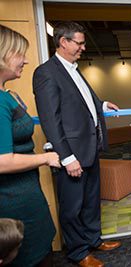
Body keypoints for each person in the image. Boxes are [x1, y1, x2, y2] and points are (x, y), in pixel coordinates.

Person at [33, 21, 120, 267]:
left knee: (92, 200)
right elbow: (51, 120)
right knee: (72, 207)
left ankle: (93, 240)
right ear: (63, 42)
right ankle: (78, 252)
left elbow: (83, 101)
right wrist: (67, 157)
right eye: (79, 43)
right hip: (71, 153)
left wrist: (101, 105)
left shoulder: (73, 68)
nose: (83, 47)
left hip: (89, 149)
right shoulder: (46, 73)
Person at [0, 24, 61, 266]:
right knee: (30, 258)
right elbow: (3, 161)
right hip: (12, 200)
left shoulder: (8, 95)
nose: (25, 60)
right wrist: (46, 158)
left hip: (26, 192)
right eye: (19, 53)